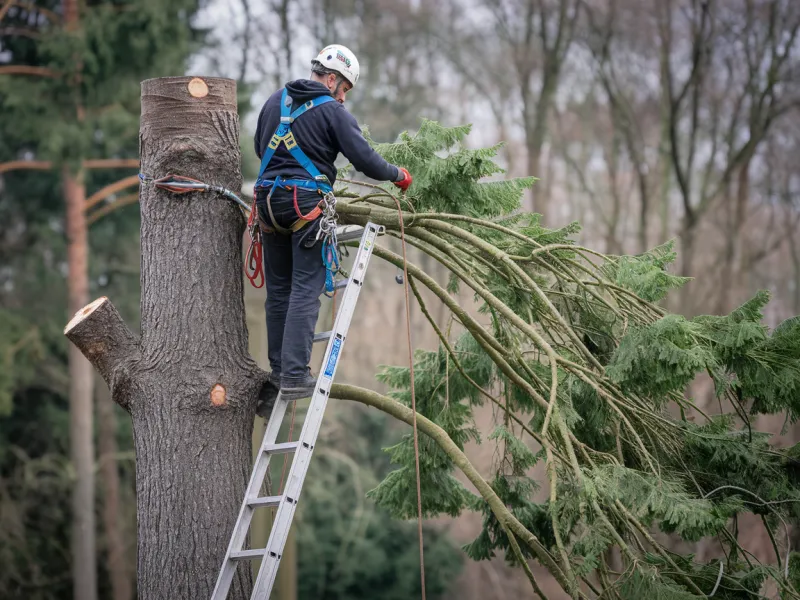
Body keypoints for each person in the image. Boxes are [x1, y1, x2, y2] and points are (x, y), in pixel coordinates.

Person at [254, 44, 412, 415]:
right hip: (305, 205)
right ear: (331, 78)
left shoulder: (274, 101)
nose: (343, 97)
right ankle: (294, 374)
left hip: (266, 205)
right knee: (305, 288)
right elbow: (364, 160)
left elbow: (262, 146)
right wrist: (397, 175)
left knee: (279, 291)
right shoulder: (331, 111)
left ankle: (279, 373)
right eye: (343, 89)